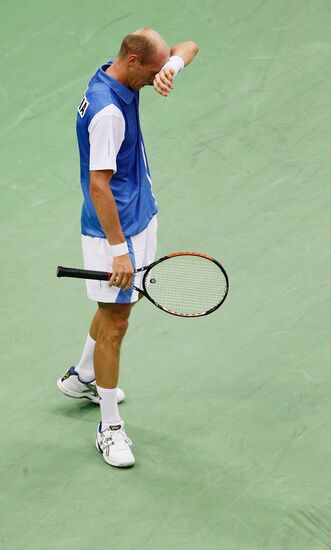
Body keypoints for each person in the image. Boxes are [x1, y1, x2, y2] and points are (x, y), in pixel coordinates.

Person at [57, 28, 199, 468]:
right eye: (152, 71)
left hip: (138, 216)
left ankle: (82, 376)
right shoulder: (108, 114)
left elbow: (187, 46)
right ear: (134, 62)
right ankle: (110, 428)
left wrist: (170, 69)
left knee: (115, 310)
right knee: (115, 324)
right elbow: (98, 186)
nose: (156, 77)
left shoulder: (117, 74)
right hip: (113, 231)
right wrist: (119, 250)